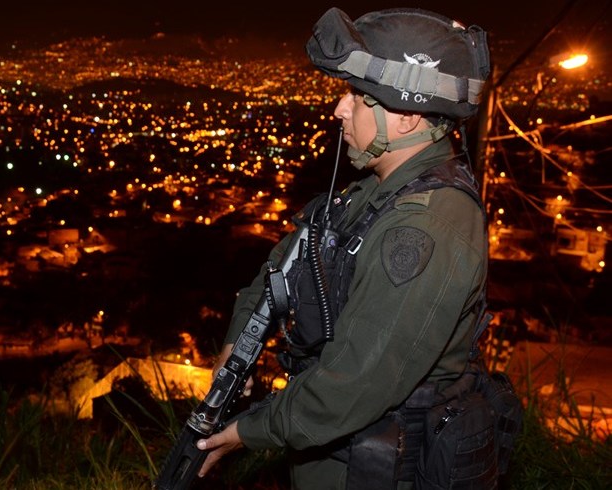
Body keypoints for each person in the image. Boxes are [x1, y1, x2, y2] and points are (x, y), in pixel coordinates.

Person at [196, 7, 492, 489]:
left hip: (381, 468)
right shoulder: (374, 193)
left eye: (356, 95)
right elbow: (283, 267)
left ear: (407, 117)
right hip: (340, 456)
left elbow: (357, 381)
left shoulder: (427, 225)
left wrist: (248, 431)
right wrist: (237, 347)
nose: (339, 109)